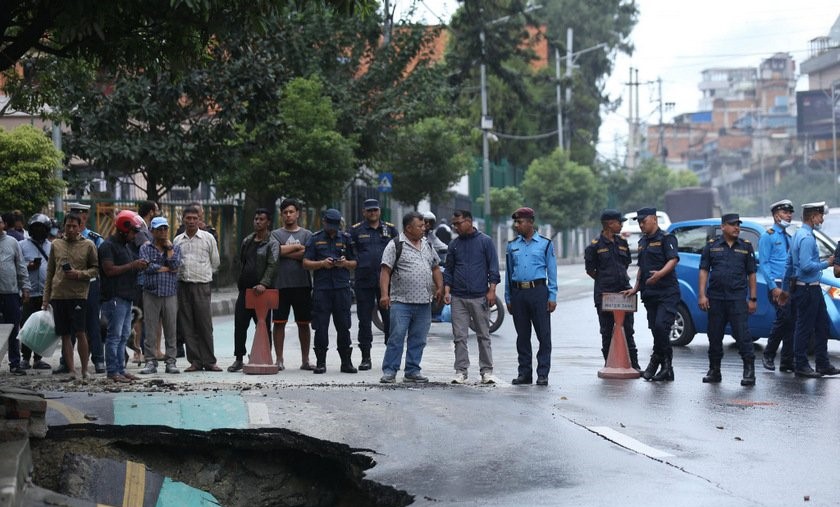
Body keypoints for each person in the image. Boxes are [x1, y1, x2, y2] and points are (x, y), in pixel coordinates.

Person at [378, 211, 443, 383]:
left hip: (424, 302)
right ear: (408, 228)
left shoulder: (427, 244)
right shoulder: (395, 245)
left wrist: (440, 287)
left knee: (419, 339)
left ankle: (412, 370)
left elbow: (435, 267)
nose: (424, 228)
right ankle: (390, 371)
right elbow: (385, 271)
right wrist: (384, 295)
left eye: (424, 225)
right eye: (420, 226)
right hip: (401, 302)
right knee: (396, 337)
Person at [698, 213, 758, 386]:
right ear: (723, 226)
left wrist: (752, 298)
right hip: (716, 298)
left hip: (737, 298)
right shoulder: (712, 246)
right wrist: (702, 295)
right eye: (733, 225)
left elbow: (751, 273)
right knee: (714, 336)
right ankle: (714, 370)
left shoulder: (746, 247)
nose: (737, 228)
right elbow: (704, 270)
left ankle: (749, 371)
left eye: (738, 224)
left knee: (743, 336)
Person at [783, 202, 840, 378]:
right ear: (813, 216)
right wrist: (827, 263)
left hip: (811, 289)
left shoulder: (798, 234)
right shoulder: (806, 238)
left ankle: (822, 364)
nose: (822, 219)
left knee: (821, 326)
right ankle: (801, 364)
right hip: (807, 289)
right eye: (820, 215)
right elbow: (806, 266)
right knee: (804, 328)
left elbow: (790, 264)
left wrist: (785, 289)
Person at [444, 209, 501, 385]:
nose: (455, 227)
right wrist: (447, 291)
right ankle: (461, 371)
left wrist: (492, 290)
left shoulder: (485, 242)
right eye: (454, 224)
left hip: (479, 296)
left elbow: (493, 268)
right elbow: (449, 270)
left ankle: (487, 371)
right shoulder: (454, 245)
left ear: (469, 221)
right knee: (459, 336)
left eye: (458, 223)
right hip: (458, 297)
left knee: (483, 335)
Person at [622, 207, 679, 382]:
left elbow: (673, 260)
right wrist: (636, 288)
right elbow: (642, 268)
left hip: (667, 292)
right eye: (639, 222)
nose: (641, 225)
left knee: (662, 327)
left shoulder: (666, 238)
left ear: (654, 219)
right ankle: (666, 369)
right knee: (656, 331)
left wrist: (660, 274)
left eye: (643, 221)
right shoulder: (642, 242)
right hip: (650, 294)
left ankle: (657, 362)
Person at [42, 213, 99, 379]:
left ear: (80, 226)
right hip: (58, 295)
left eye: (75, 226)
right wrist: (46, 299)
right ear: (64, 226)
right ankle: (72, 371)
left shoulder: (88, 245)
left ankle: (84, 370)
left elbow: (95, 269)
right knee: (65, 334)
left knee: (81, 332)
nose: (71, 229)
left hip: (78, 295)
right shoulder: (56, 244)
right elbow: (50, 271)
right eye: (68, 226)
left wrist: (79, 274)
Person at [506, 207, 558, 386]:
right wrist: (508, 297)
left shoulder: (545, 244)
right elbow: (509, 274)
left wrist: (552, 296)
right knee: (522, 336)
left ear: (530, 223)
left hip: (538, 292)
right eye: (516, 222)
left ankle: (542, 373)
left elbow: (552, 271)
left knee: (543, 335)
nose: (516, 225)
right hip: (518, 293)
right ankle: (524, 373)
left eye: (520, 222)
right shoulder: (512, 246)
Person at [303, 208, 358, 374]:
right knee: (321, 327)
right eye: (330, 224)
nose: (333, 228)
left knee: (344, 326)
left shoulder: (346, 238)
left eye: (336, 225)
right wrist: (321, 264)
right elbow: (305, 263)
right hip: (322, 290)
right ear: (324, 222)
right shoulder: (315, 239)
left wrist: (345, 263)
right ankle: (321, 363)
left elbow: (355, 262)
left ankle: (346, 362)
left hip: (341, 289)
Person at [584, 209, 639, 370]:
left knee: (628, 330)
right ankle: (610, 364)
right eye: (618, 222)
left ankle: (633, 364)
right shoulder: (594, 246)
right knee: (607, 331)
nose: (621, 225)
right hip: (604, 294)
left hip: (624, 292)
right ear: (609, 224)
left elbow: (626, 263)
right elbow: (590, 270)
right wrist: (605, 281)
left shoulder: (622, 242)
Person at [99, 210, 147, 382]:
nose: (135, 235)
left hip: (126, 298)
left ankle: (121, 369)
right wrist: (132, 265)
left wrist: (139, 266)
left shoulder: (126, 246)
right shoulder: (107, 246)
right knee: (114, 336)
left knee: (124, 335)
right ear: (123, 229)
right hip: (114, 298)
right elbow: (109, 270)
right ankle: (113, 371)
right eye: (133, 231)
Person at [228, 208, 278, 372]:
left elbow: (273, 265)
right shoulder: (247, 241)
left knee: (263, 326)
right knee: (240, 325)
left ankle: (265, 356)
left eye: (261, 219)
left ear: (268, 222)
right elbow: (241, 262)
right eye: (256, 219)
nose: (257, 221)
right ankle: (239, 358)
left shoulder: (272, 242)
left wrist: (264, 283)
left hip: (262, 292)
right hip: (245, 290)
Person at [350, 198, 398, 369]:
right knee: (364, 320)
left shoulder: (390, 229)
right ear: (364, 212)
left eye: (375, 210)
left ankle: (391, 358)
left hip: (386, 282)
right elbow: (351, 253)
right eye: (369, 211)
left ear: (379, 211)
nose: (372, 213)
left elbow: (398, 253)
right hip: (364, 280)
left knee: (389, 320)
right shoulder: (356, 231)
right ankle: (365, 358)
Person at [174, 205, 222, 372]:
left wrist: (204, 274)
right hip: (183, 285)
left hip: (202, 285)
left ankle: (209, 361)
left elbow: (215, 262)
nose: (192, 221)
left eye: (195, 218)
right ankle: (195, 361)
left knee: (204, 324)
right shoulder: (177, 240)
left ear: (199, 219)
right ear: (183, 220)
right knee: (187, 324)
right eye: (188, 218)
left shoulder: (208, 238)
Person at [270, 198, 314, 371]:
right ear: (281, 215)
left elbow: (308, 254)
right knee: (279, 322)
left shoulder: (307, 234)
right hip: (280, 285)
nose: (288, 215)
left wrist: (284, 251)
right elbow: (275, 252)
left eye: (291, 212)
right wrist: (297, 249)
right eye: (285, 212)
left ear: (298, 214)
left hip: (302, 284)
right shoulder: (275, 234)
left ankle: (305, 360)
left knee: (304, 323)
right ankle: (279, 359)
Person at [65, 202, 106, 374]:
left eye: (80, 215)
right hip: (69, 287)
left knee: (92, 323)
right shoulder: (62, 240)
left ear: (85, 217)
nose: (77, 219)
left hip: (90, 285)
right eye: (73, 215)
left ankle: (98, 359)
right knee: (69, 325)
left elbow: (100, 266)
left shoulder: (95, 239)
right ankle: (66, 362)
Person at [139, 216, 182, 374]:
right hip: (151, 292)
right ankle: (150, 361)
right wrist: (165, 268)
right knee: (150, 328)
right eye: (159, 229)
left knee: (171, 328)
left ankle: (171, 361)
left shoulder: (175, 247)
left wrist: (169, 250)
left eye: (165, 228)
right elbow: (147, 267)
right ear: (152, 231)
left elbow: (176, 265)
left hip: (170, 293)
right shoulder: (145, 247)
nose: (163, 232)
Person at [758, 199, 795, 372]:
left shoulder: (790, 236)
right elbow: (764, 264)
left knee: (791, 322)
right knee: (783, 319)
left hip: (790, 284)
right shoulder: (768, 236)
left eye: (790, 212)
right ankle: (769, 354)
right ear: (776, 215)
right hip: (777, 285)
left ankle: (787, 361)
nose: (789, 215)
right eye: (785, 212)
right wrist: (773, 287)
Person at [19, 213, 53, 370]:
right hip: (29, 293)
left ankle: (37, 359)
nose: (39, 231)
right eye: (36, 228)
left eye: (42, 228)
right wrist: (29, 266)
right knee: (27, 326)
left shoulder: (51, 246)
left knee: (41, 328)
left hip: (45, 294)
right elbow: (17, 267)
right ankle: (25, 358)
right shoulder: (21, 245)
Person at [0, 213, 31, 375]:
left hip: (11, 293)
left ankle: (15, 363)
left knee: (13, 329)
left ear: (3, 224)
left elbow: (21, 267)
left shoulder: (12, 242)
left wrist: (25, 287)